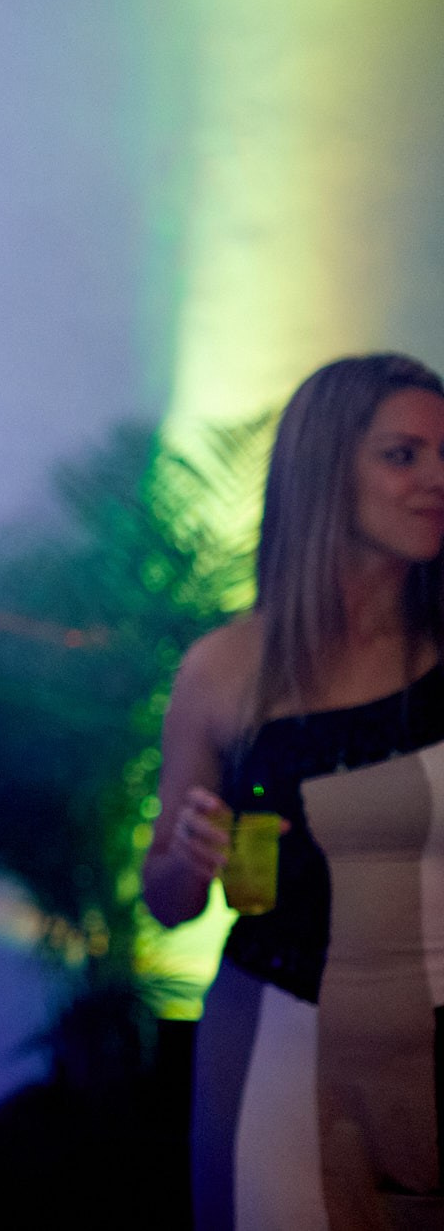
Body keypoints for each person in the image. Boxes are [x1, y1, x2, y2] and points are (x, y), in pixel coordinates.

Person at [141, 353, 444, 1229]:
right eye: (404, 455)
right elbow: (168, 901)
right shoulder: (228, 668)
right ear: (327, 468)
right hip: (278, 1042)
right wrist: (188, 853)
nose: (436, 480)